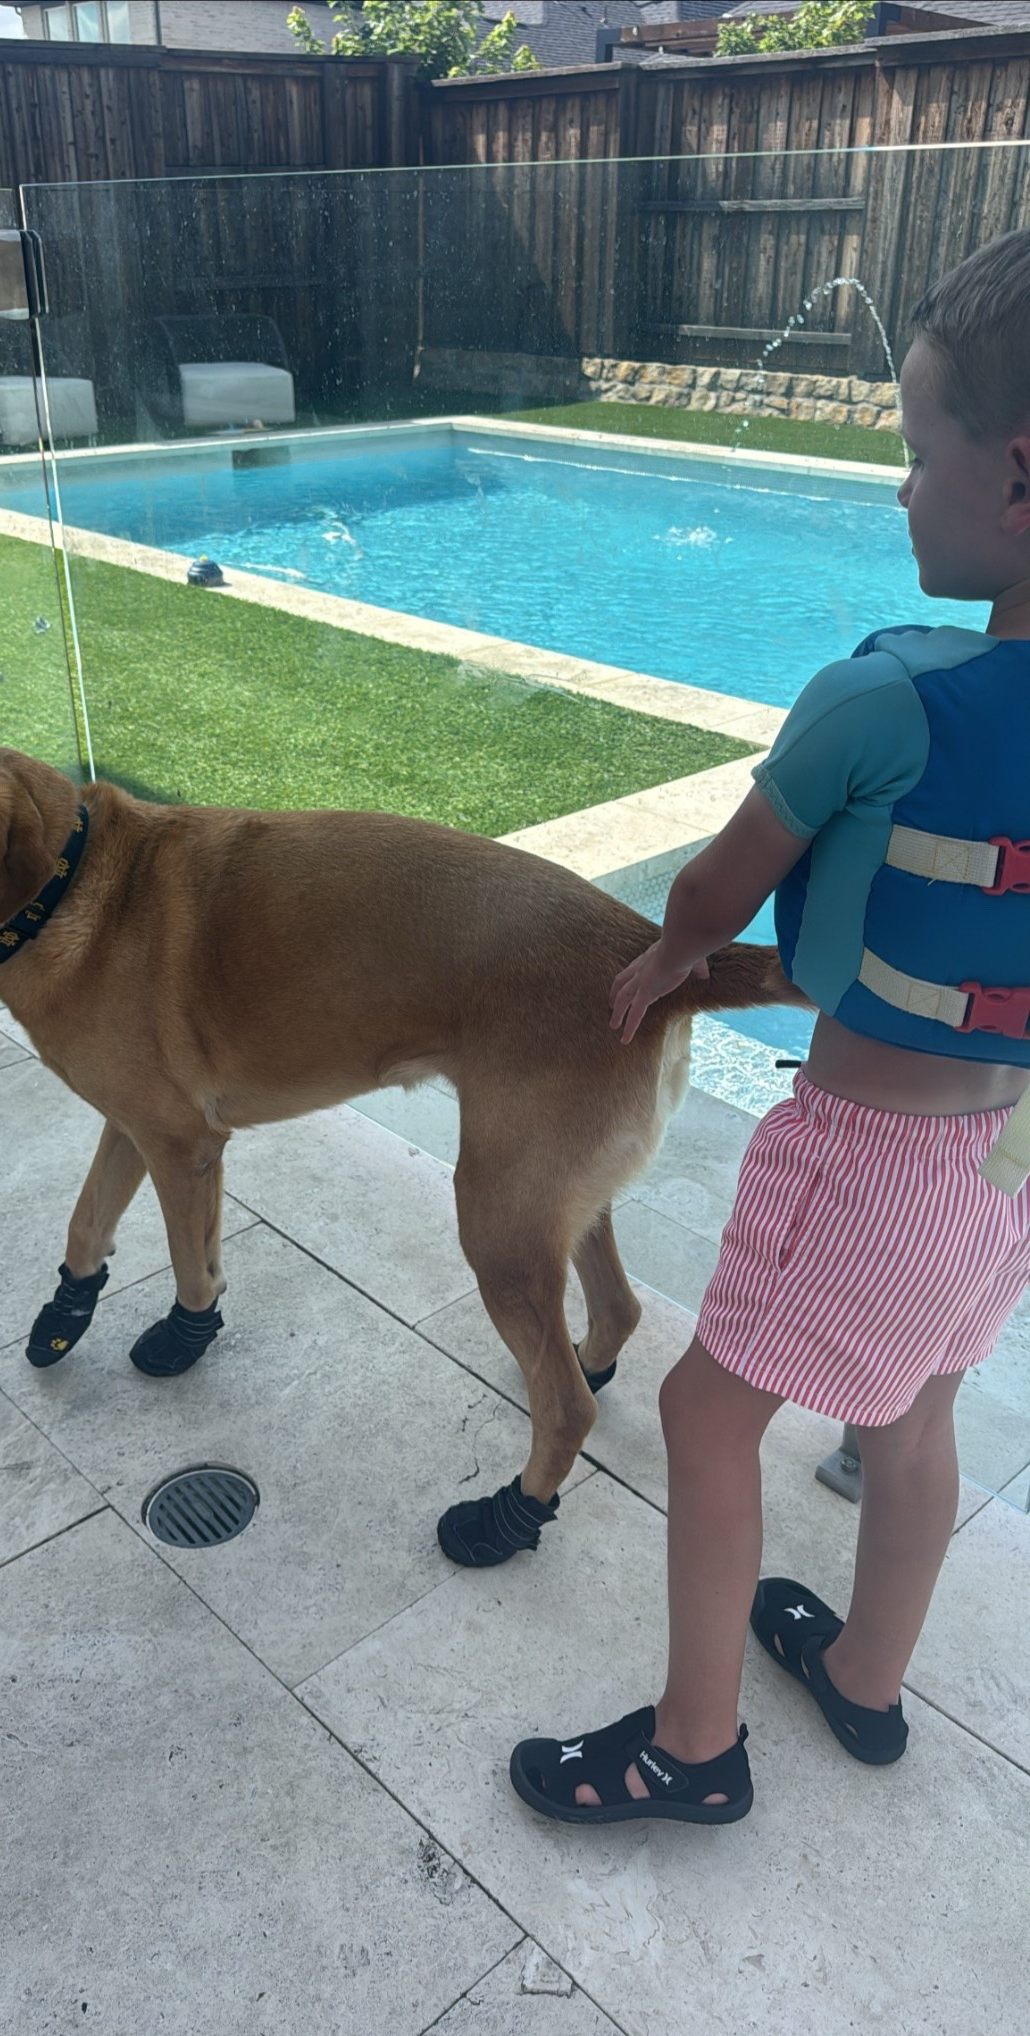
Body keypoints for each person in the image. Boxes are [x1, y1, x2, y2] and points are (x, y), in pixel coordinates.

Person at [508, 229, 1030, 1828]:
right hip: (1008, 1161)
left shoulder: (880, 703)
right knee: (916, 1409)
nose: (895, 489)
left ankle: (696, 1744)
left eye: (913, 450)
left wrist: (666, 960)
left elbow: (718, 886)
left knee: (705, 1408)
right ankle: (867, 1683)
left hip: (871, 1154)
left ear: (1017, 474)